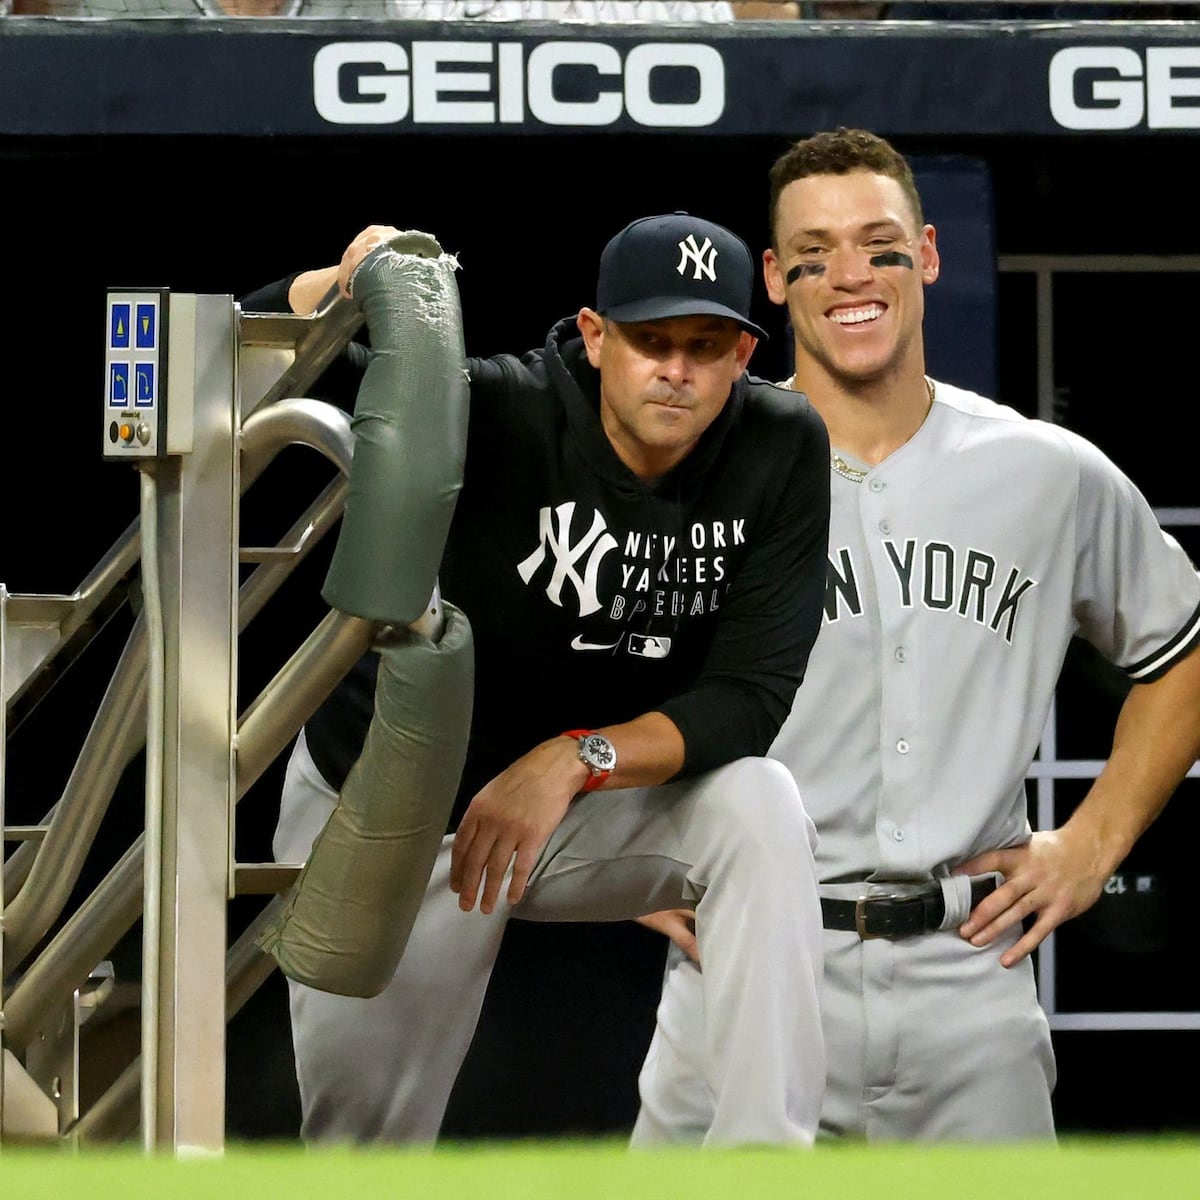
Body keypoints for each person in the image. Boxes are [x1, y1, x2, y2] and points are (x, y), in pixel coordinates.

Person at [632, 127, 1200, 1144]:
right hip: (747, 965)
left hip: (965, 981)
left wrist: (1095, 840)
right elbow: (553, 663)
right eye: (813, 253)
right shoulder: (687, 474)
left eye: (878, 243)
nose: (848, 274)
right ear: (772, 277)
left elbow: (1183, 652)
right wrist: (626, 855)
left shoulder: (1045, 472)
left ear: (928, 254)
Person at [253, 211, 832, 1146]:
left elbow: (750, 697)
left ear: (742, 355)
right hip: (400, 803)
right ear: (597, 338)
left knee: (759, 806)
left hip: (571, 799)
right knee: (363, 1149)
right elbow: (263, 359)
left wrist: (571, 760)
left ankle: (765, 1161)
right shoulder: (502, 407)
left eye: (705, 344)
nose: (676, 370)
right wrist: (347, 278)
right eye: (650, 341)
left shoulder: (779, 442)